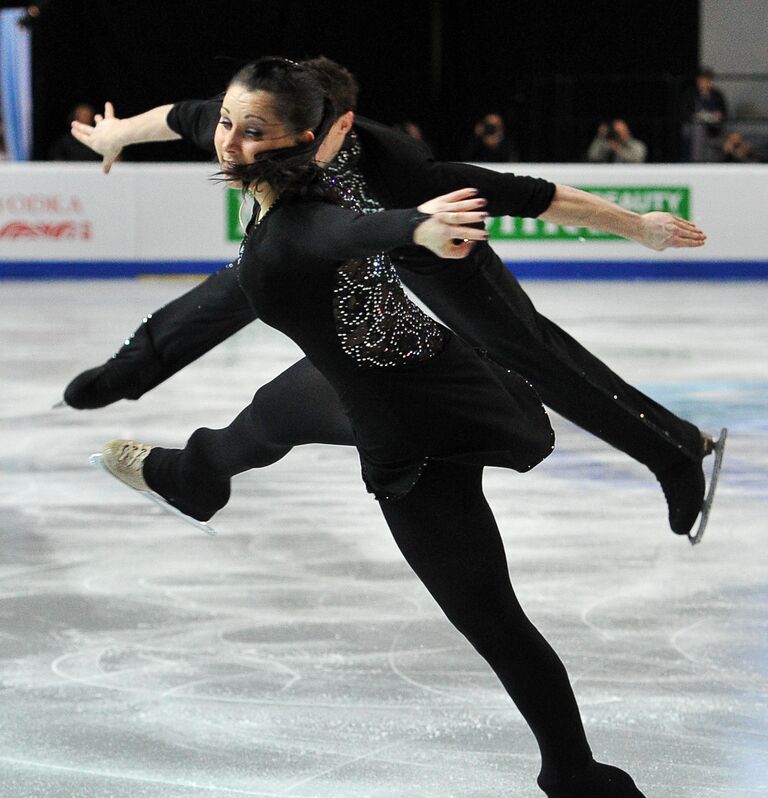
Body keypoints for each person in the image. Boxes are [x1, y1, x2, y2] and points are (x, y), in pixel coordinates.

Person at [94, 57, 654, 798]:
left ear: (305, 140)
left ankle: (590, 796)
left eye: (251, 129)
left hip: (417, 421)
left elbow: (351, 235)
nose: (228, 137)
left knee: (493, 622)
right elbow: (179, 115)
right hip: (380, 368)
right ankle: (194, 475)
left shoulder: (300, 228)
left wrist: (418, 230)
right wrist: (114, 135)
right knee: (278, 409)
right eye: (227, 123)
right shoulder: (267, 157)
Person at [65, 56, 718, 542]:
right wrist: (118, 135)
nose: (268, 142)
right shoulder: (264, 125)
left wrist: (637, 226)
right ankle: (131, 373)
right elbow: (182, 117)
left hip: (432, 245)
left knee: (534, 357)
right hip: (322, 248)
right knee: (242, 284)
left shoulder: (398, 167)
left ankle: (674, 452)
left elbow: (532, 195)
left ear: (342, 123)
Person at [682, 67, 728, 163]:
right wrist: (697, 116)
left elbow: (724, 114)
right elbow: (685, 114)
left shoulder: (717, 95)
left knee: (732, 135)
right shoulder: (690, 94)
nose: (704, 83)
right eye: (701, 80)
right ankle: (697, 162)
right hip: (694, 126)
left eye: (707, 80)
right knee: (699, 129)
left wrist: (718, 116)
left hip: (714, 126)